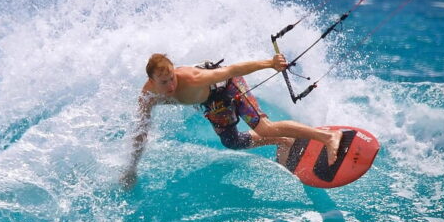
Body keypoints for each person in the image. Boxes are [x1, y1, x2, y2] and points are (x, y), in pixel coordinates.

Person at [120, 53, 342, 189]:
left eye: (172, 78)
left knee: (264, 128)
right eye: (164, 82)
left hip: (229, 85)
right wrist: (131, 168)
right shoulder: (148, 97)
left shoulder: (194, 78)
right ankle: (284, 140)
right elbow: (141, 132)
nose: (171, 86)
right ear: (151, 80)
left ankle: (328, 137)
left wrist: (270, 63)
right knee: (232, 142)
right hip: (212, 102)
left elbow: (233, 69)